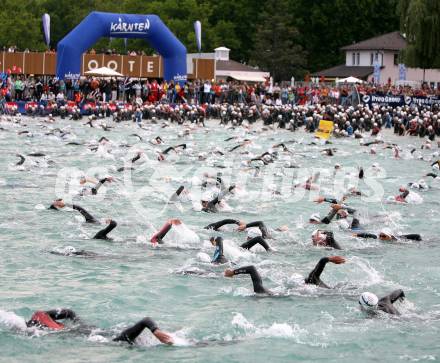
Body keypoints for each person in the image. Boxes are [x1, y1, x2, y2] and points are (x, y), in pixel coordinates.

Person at [25, 309, 173, 344]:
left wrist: (155, 331)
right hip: (98, 332)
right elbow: (69, 312)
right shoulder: (79, 327)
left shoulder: (76, 329)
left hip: (100, 337)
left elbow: (69, 313)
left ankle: (156, 331)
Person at [353, 230, 421, 241]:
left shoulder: (398, 239)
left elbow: (417, 235)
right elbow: (370, 235)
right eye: (380, 236)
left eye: (383, 236)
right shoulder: (378, 237)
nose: (381, 238)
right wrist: (357, 235)